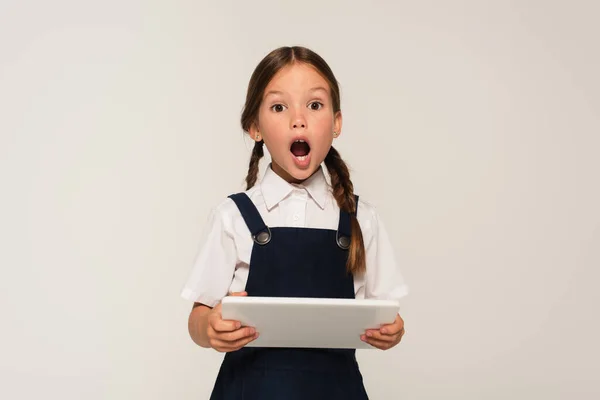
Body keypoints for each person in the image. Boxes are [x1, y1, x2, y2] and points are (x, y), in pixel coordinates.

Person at [181, 46, 409, 399]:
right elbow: (198, 318)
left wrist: (392, 332)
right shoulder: (232, 216)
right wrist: (209, 328)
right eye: (279, 107)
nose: (298, 119)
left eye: (314, 105)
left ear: (336, 124)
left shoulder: (361, 219)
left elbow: (390, 317)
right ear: (255, 127)